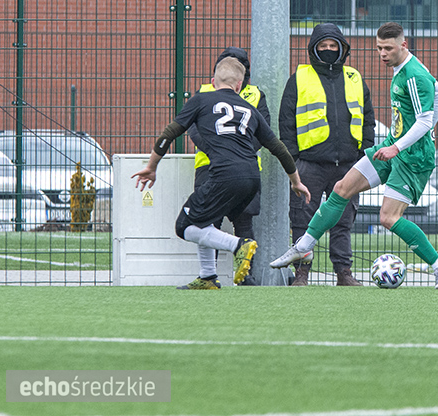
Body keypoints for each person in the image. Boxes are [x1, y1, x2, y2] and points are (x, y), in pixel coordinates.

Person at [271, 22, 438, 289]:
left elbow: (424, 121)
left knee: (388, 218)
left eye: (388, 48)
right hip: (392, 146)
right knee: (342, 188)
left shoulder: (414, 75)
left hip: (412, 158)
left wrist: (400, 146)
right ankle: (303, 246)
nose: (382, 54)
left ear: (403, 45)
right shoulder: (402, 68)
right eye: (379, 48)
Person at [132, 57, 310, 289]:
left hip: (223, 175)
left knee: (184, 225)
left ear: (213, 81)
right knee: (203, 219)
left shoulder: (202, 99)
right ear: (239, 85)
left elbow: (170, 133)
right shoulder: (250, 109)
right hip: (251, 178)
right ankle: (208, 277)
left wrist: (152, 166)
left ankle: (239, 245)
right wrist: (296, 182)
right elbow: (278, 148)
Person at [278, 23, 376, 286]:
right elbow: (286, 123)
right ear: (314, 49)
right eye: (324, 47)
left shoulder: (355, 78)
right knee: (302, 219)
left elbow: (368, 120)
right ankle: (301, 274)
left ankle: (343, 273)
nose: (329, 50)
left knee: (343, 221)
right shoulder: (299, 78)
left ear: (343, 49)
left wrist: (363, 157)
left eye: (334, 46)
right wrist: (294, 161)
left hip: (348, 164)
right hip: (309, 164)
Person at [182, 47, 271, 288]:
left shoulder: (255, 94)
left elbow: (263, 133)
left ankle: (245, 275)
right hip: (209, 167)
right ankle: (208, 275)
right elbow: (193, 129)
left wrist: (236, 152)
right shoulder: (203, 93)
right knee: (208, 220)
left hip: (244, 166)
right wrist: (218, 150)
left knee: (244, 221)